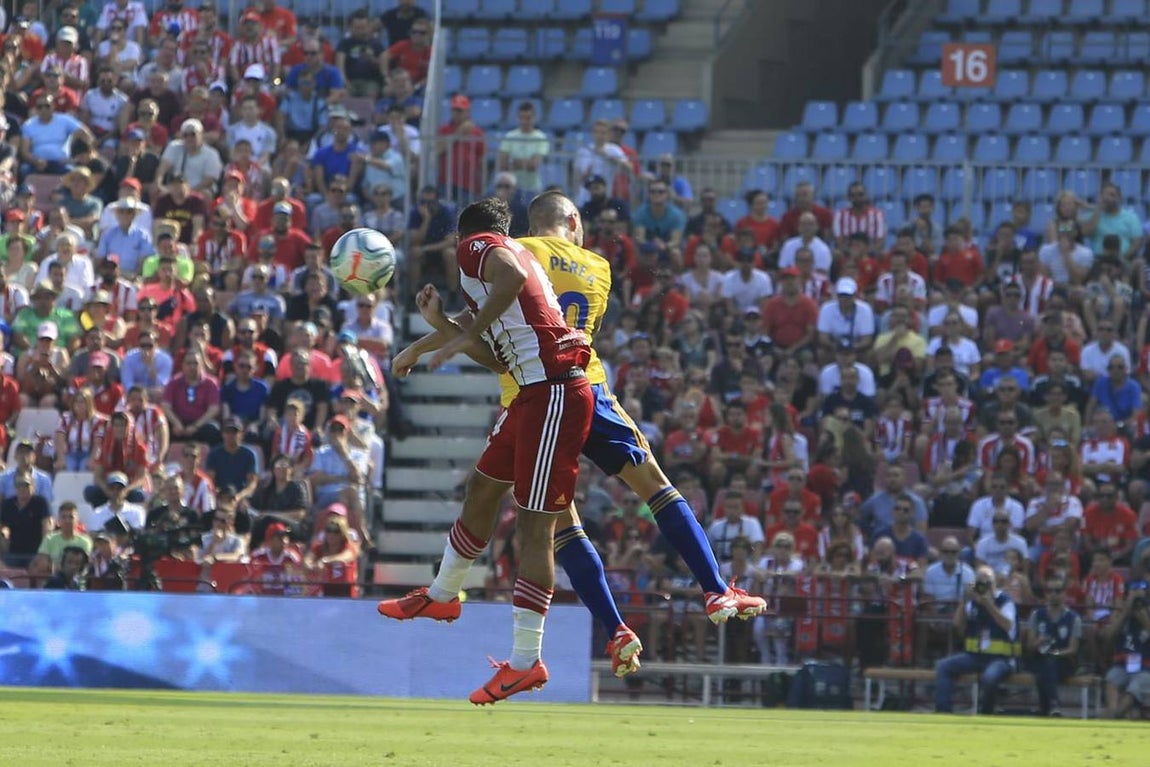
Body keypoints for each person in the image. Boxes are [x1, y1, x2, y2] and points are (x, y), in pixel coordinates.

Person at [380, 196, 761, 703]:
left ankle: (559, 646)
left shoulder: (505, 250)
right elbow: (545, 330)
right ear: (576, 224)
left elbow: (504, 344)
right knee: (650, 488)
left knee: (550, 527)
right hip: (588, 387)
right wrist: (435, 337)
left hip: (542, 393)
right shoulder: (598, 267)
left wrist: (451, 335)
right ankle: (712, 588)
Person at [935, 565, 1020, 714]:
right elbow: (957, 625)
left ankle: (986, 713)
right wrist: (964, 601)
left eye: (987, 582)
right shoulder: (972, 603)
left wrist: (988, 604)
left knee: (989, 678)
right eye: (980, 583)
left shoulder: (1004, 601)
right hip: (974, 656)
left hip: (1001, 659)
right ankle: (943, 711)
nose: (983, 587)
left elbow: (1007, 625)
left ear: (993, 583)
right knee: (943, 666)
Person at [37, 502, 92, 567]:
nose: (67, 521)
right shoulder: (49, 539)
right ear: (58, 520)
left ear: (77, 520)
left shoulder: (85, 541)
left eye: (71, 517)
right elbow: (43, 563)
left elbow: (85, 565)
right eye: (63, 517)